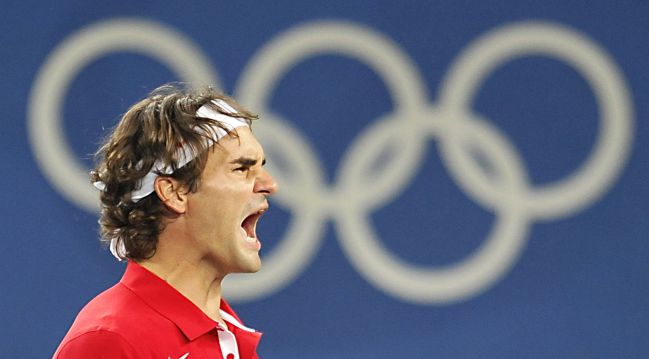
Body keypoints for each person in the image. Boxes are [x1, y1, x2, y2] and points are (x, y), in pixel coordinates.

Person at [53, 83, 278, 359]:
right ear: (174, 192)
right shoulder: (110, 341)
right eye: (242, 168)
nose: (270, 185)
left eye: (261, 167)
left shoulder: (228, 339)